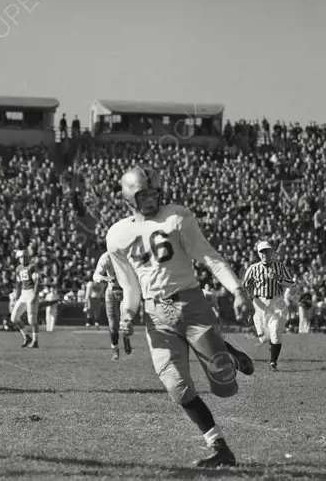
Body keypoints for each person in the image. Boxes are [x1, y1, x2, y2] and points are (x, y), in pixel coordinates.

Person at [106, 165, 255, 468]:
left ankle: (226, 352)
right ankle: (219, 447)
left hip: (191, 305)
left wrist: (237, 290)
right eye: (142, 194)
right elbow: (130, 285)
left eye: (152, 192)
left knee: (225, 386)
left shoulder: (176, 216)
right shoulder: (117, 235)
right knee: (176, 386)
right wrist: (126, 318)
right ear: (128, 198)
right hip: (154, 314)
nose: (149, 199)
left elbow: (207, 255)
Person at [241, 239, 296, 370]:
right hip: (260, 303)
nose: (265, 253)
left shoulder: (280, 266)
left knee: (276, 332)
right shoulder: (253, 268)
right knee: (264, 339)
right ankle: (258, 328)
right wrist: (250, 296)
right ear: (259, 254)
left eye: (267, 251)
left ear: (271, 252)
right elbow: (244, 285)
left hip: (277, 302)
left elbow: (291, 283)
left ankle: (273, 363)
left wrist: (277, 278)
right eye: (262, 251)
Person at [92, 250, 132, 360]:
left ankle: (126, 337)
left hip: (126, 289)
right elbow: (95, 275)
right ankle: (115, 349)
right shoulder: (107, 256)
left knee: (126, 319)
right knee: (113, 325)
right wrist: (106, 278)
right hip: (112, 289)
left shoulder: (128, 254)